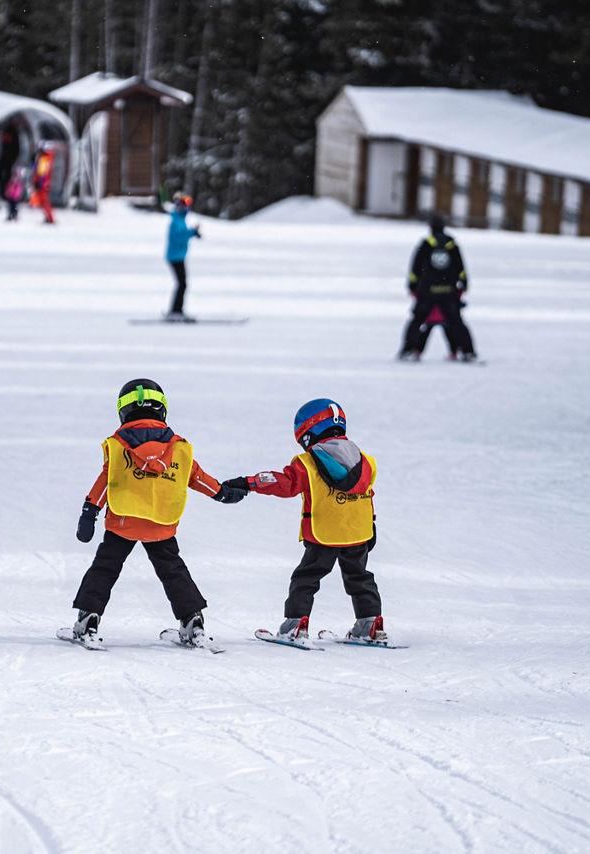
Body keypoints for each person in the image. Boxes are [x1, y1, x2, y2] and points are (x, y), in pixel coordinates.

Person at [70, 378, 246, 647]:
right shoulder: (178, 447)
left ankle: (88, 620)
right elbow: (197, 477)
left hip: (124, 522)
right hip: (161, 524)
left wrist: (90, 510)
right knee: (173, 570)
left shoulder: (118, 445)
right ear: (162, 409)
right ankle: (193, 622)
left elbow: (106, 481)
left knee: (105, 568)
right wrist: (221, 492)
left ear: (123, 410)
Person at [222, 399, 387, 643]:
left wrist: (249, 482)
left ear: (308, 432)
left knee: (306, 579)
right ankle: (369, 623)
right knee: (360, 578)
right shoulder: (365, 461)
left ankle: (295, 625)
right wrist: (371, 524)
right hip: (357, 534)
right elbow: (367, 495)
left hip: (323, 534)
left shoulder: (308, 463)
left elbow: (284, 483)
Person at [399, 214, 477, 361]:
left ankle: (409, 350)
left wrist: (412, 286)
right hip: (448, 291)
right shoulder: (452, 245)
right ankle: (467, 351)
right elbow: (460, 268)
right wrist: (464, 283)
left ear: (430, 227)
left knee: (417, 321)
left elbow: (415, 268)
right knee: (456, 323)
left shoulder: (425, 245)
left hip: (427, 292)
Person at [165, 192, 202, 320]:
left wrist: (194, 233)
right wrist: (192, 232)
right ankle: (176, 311)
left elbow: (183, 234)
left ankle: (176, 310)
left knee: (182, 284)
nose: (185, 207)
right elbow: (178, 237)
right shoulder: (176, 220)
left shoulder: (180, 219)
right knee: (182, 284)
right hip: (175, 257)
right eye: (183, 204)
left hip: (179, 256)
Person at [29, 143, 56, 224]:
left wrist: (39, 183)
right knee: (42, 201)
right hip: (43, 183)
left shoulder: (44, 158)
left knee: (44, 201)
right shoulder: (44, 158)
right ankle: (48, 217)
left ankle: (50, 218)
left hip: (42, 184)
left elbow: (42, 173)